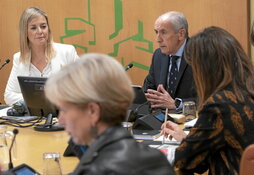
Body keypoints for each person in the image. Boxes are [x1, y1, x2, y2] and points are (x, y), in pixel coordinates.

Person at [44, 53, 175, 175]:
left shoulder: (96, 170)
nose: (60, 120)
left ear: (93, 111)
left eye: (64, 110)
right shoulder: (155, 158)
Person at [161, 26, 254, 175]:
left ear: (206, 69)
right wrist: (188, 139)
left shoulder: (219, 105)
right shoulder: (248, 92)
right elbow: (202, 161)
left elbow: (183, 161)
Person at [4, 7, 79, 105]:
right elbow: (9, 95)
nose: (40, 31)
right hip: (32, 119)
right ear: (25, 32)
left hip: (63, 116)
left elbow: (81, 88)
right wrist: (41, 100)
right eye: (33, 28)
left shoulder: (68, 52)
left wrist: (32, 98)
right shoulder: (19, 58)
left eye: (43, 26)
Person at [143, 11, 196, 110]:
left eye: (163, 32)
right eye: (156, 32)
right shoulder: (158, 55)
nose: (158, 39)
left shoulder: (200, 55)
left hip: (191, 120)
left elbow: (212, 98)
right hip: (162, 120)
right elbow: (148, 88)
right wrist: (148, 97)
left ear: (181, 34)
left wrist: (177, 104)